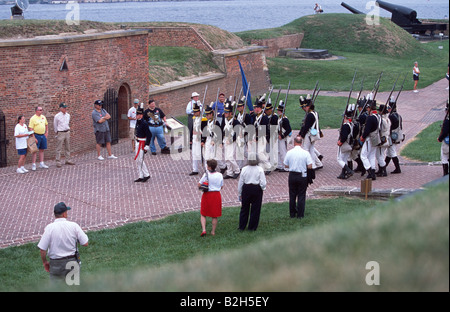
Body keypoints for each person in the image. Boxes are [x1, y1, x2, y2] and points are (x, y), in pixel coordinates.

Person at [37, 202, 89, 283]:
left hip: (55, 264)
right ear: (64, 214)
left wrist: (45, 262)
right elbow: (85, 243)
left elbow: (42, 249)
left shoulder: (49, 228)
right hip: (72, 263)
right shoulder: (73, 226)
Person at [284, 136, 313, 219]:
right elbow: (310, 166)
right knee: (301, 195)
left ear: (294, 142)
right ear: (301, 143)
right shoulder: (305, 153)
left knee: (292, 195)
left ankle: (292, 214)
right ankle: (300, 215)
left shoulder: (289, 152)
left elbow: (286, 165)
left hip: (292, 175)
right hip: (302, 175)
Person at [238, 153, 267, 231]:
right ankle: (252, 227)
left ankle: (242, 226)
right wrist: (263, 188)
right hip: (256, 189)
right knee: (256, 208)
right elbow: (263, 182)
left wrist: (240, 193)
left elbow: (241, 182)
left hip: (246, 188)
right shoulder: (260, 169)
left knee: (244, 208)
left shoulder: (244, 169)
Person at [198, 159, 223, 236]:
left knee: (203, 213)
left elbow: (199, 184)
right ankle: (213, 231)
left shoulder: (206, 175)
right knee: (214, 215)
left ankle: (204, 230)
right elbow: (221, 186)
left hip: (207, 195)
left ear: (208, 167)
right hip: (216, 195)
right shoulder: (220, 175)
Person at [299, 95, 323, 170]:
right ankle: (316, 164)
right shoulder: (315, 113)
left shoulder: (309, 115)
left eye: (306, 106)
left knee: (306, 149)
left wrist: (302, 135)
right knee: (311, 149)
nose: (304, 108)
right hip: (313, 134)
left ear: (309, 106)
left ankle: (310, 165)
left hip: (309, 135)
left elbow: (306, 127)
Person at [360, 96, 379, 180]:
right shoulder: (378, 116)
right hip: (375, 138)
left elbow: (367, 130)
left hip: (370, 138)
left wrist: (362, 137)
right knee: (371, 155)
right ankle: (373, 172)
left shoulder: (371, 118)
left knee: (363, 156)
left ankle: (370, 172)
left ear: (369, 108)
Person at [221, 101, 240, 179]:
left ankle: (237, 170)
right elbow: (222, 130)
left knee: (230, 157)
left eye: (226, 112)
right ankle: (229, 172)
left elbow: (237, 132)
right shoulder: (224, 120)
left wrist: (232, 140)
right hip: (225, 139)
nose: (225, 113)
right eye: (224, 112)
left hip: (232, 141)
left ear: (230, 113)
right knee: (226, 157)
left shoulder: (235, 121)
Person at [337, 105, 356, 179]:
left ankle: (348, 170)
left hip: (344, 144)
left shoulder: (345, 126)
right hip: (349, 144)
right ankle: (343, 173)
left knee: (339, 159)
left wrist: (340, 142)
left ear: (345, 117)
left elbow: (344, 136)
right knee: (344, 159)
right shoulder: (351, 125)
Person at [54, 103, 75, 168]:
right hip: (61, 132)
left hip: (67, 132)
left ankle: (67, 159)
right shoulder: (57, 116)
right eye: (64, 108)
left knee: (67, 146)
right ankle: (58, 161)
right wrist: (56, 132)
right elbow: (55, 125)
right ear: (60, 108)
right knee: (59, 147)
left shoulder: (68, 115)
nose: (65, 109)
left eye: (65, 108)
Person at [133, 108, 152, 182]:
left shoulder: (144, 123)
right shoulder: (138, 122)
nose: (137, 116)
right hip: (138, 141)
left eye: (138, 114)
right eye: (136, 114)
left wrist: (146, 146)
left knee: (140, 160)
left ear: (141, 115)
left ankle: (146, 174)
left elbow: (149, 135)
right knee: (138, 160)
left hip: (142, 143)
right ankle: (140, 175)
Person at [385, 99, 403, 174]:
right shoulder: (398, 115)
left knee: (392, 152)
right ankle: (383, 167)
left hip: (392, 136)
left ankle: (398, 168)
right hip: (396, 135)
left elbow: (389, 127)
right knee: (389, 153)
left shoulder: (391, 116)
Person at [189, 102, 207, 176]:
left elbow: (205, 130)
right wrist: (190, 139)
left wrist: (203, 140)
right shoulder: (195, 118)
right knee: (194, 154)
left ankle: (206, 168)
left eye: (195, 112)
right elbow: (192, 129)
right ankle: (195, 169)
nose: (194, 113)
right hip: (194, 138)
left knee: (204, 154)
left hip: (200, 138)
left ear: (198, 112)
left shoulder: (203, 120)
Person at [28, 106, 49, 171]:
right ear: (36, 111)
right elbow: (31, 128)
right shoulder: (33, 118)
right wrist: (34, 137)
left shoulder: (43, 117)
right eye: (40, 110)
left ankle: (41, 163)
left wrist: (46, 132)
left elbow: (46, 124)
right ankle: (34, 164)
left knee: (42, 149)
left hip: (43, 135)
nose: (41, 111)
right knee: (35, 150)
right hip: (36, 135)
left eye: (42, 110)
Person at [275, 100, 292, 172]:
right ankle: (279, 165)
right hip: (279, 137)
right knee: (278, 151)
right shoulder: (279, 118)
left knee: (283, 152)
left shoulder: (285, 119)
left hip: (282, 138)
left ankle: (286, 167)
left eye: (278, 110)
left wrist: (282, 136)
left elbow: (289, 129)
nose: (278, 111)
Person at [438, 100, 449, 176]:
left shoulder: (447, 121)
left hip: (447, 141)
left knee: (444, 157)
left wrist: (440, 138)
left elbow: (445, 132)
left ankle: (445, 174)